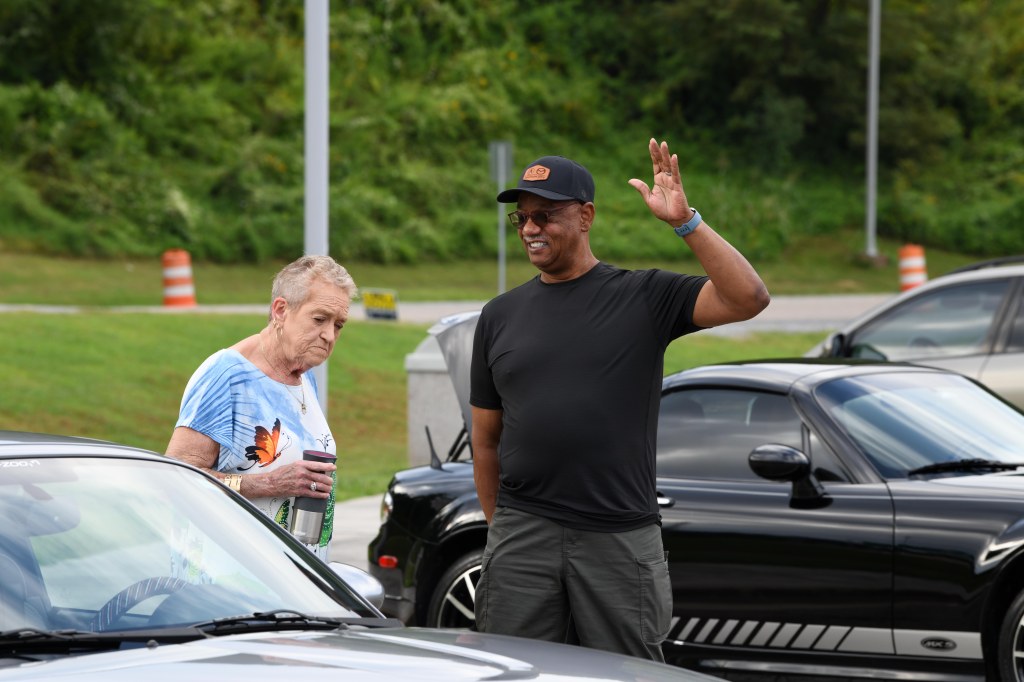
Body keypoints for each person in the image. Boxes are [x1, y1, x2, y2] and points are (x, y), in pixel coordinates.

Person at [470, 138, 770, 661]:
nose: (531, 229)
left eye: (545, 215)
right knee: (513, 668)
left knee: (629, 672)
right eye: (522, 218)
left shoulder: (643, 297)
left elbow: (749, 297)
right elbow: (485, 439)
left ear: (585, 216)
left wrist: (686, 223)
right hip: (523, 534)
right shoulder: (499, 315)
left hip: (618, 535)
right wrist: (504, 530)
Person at [166, 255, 357, 561]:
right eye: (319, 319)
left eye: (339, 325)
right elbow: (178, 476)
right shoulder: (227, 375)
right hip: (231, 573)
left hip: (292, 574)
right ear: (281, 310)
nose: (329, 335)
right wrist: (268, 484)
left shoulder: (304, 376)